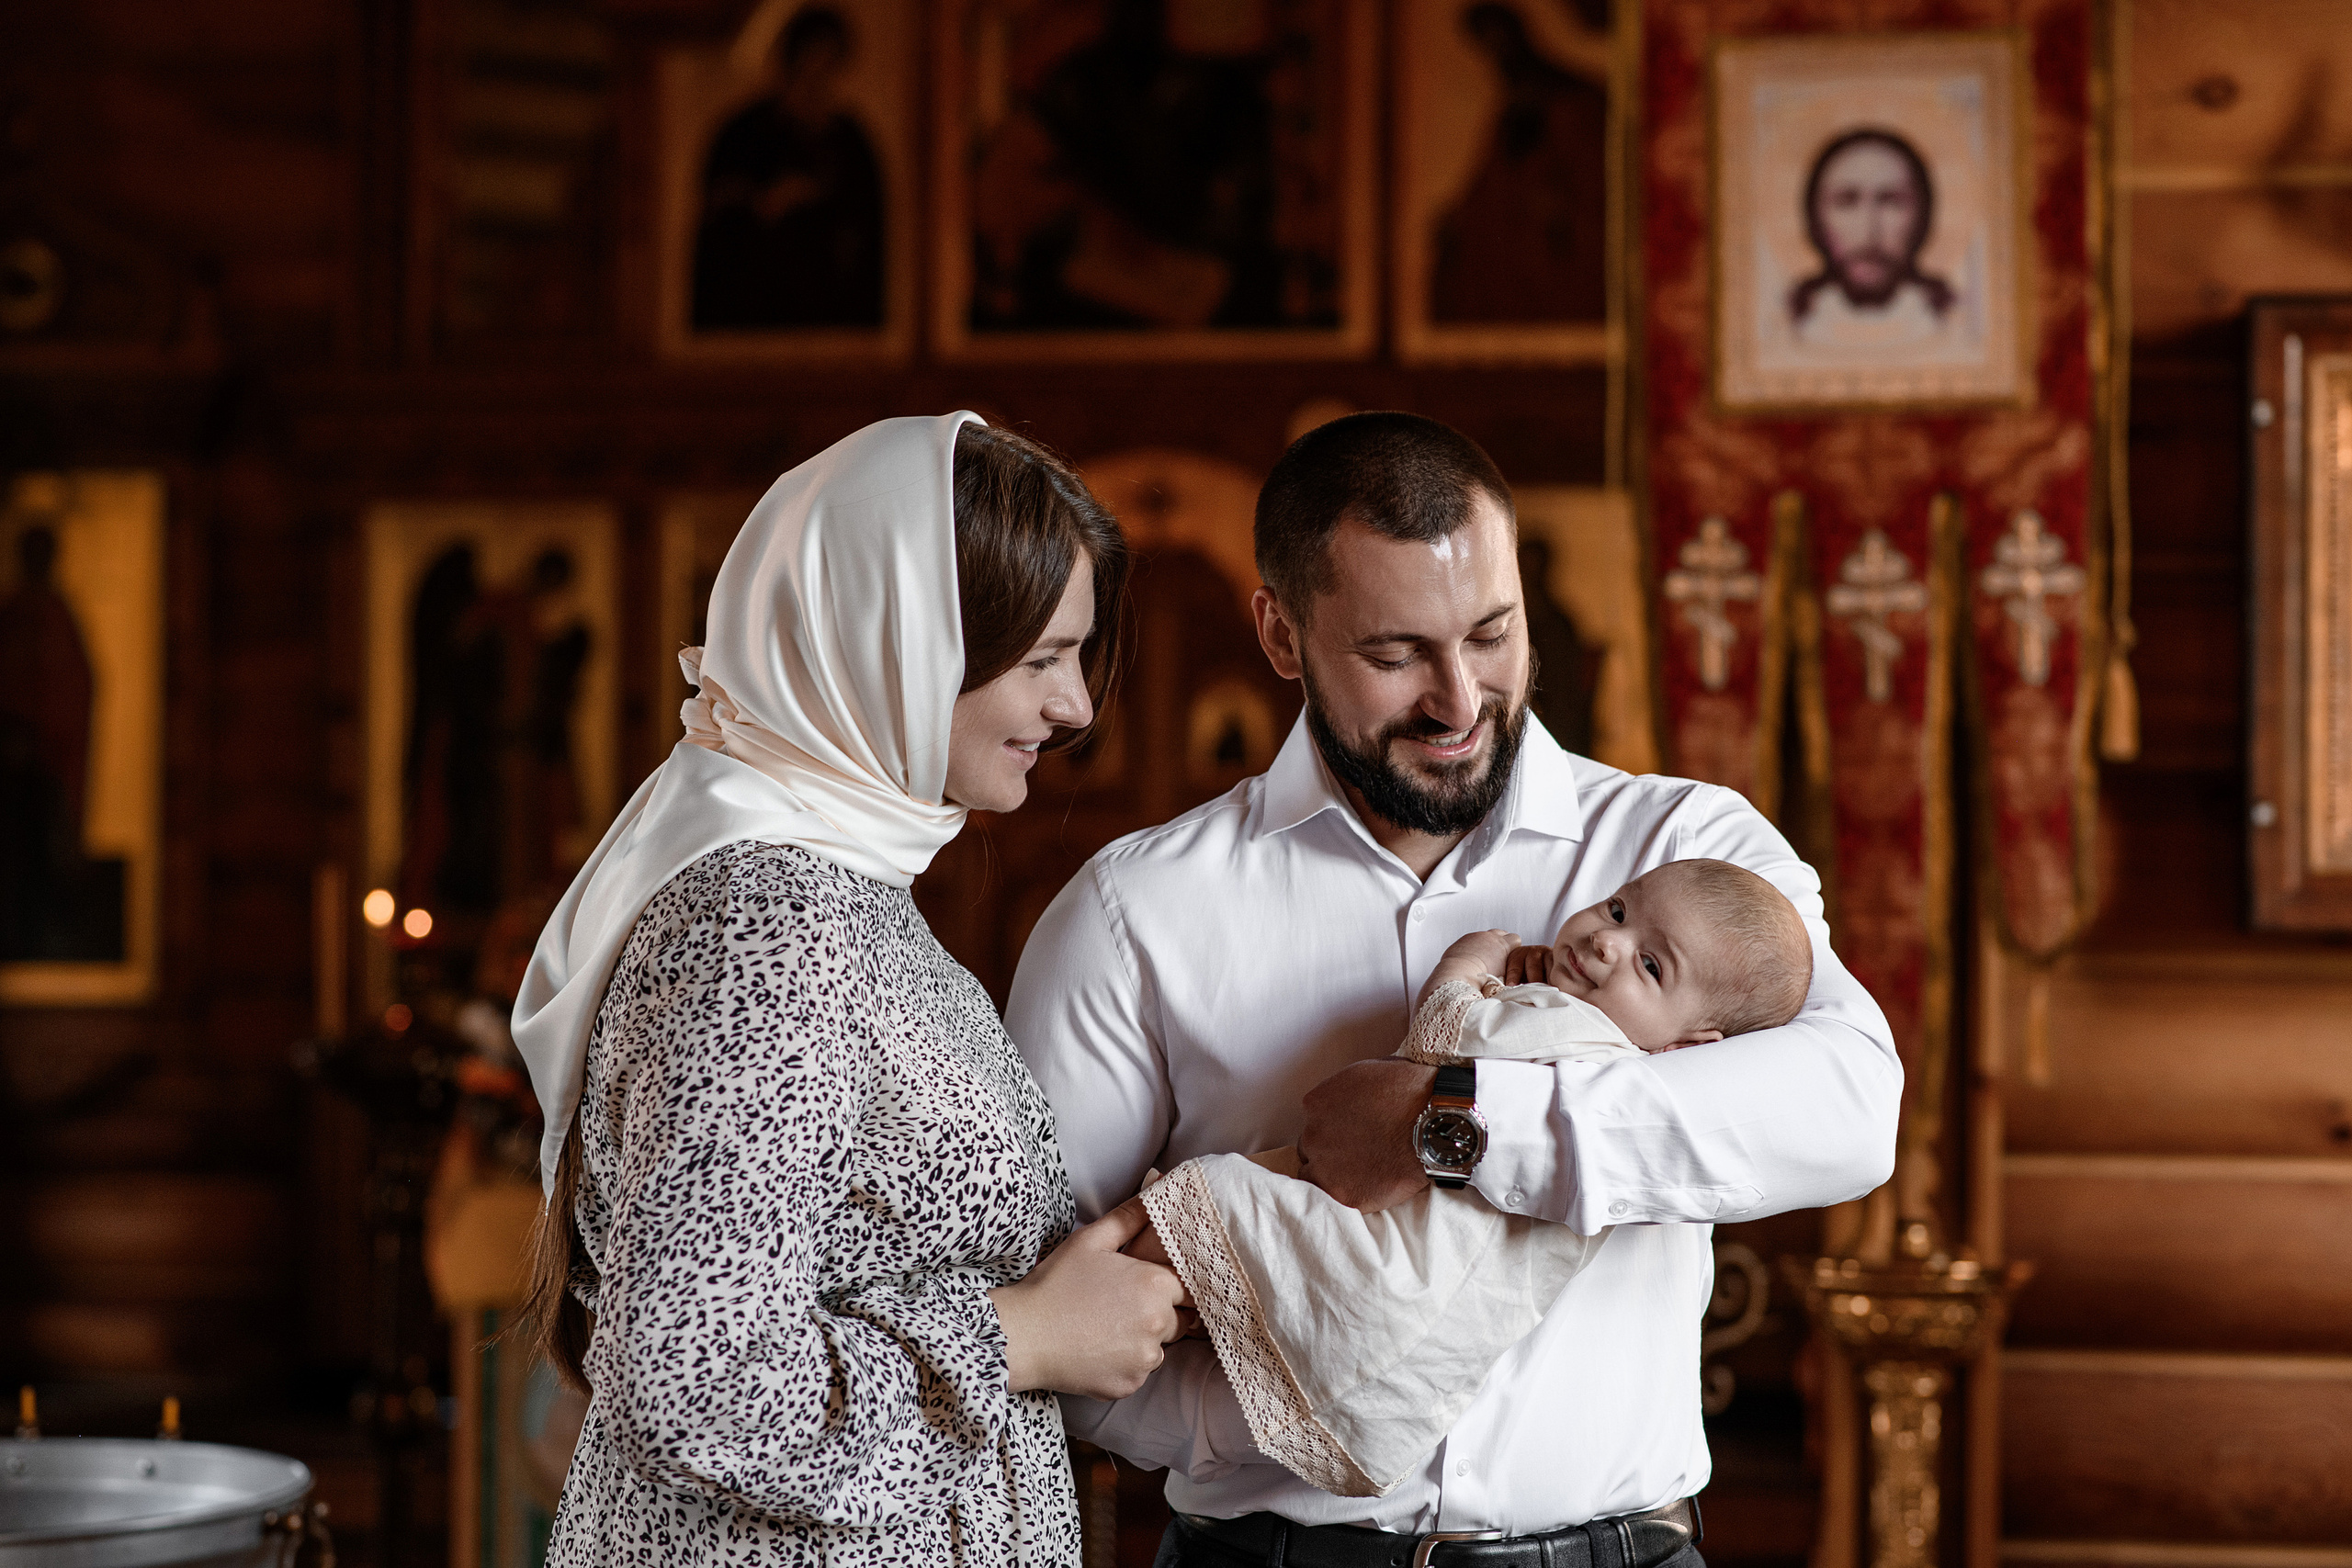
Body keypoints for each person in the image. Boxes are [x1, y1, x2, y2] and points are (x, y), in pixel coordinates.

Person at [1007, 412, 1899, 1566]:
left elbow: (1847, 1107)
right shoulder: (1131, 914)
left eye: (1491, 634)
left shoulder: (1686, 849)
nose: (1459, 699)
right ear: (1280, 635)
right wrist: (1314, 1399)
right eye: (1395, 655)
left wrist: (1464, 1123)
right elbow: (1055, 1304)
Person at [512, 413, 1190, 1566]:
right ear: (895, 642)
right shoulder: (765, 924)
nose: (1074, 708)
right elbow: (693, 1379)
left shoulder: (847, 896)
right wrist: (1019, 1339)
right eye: (1039, 660)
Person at [1130, 859, 1813, 1497]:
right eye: (1617, 909)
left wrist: (1466, 968)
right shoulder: (1625, 1088)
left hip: (1388, 1280)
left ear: (1688, 1046)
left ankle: (1104, 1275)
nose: (1608, 942)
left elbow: (1440, 1043)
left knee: (1214, 1192)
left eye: (1652, 963)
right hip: (1416, 1345)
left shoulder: (1575, 1034)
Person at [691, 6, 885, 330]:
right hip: (753, 315)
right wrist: (762, 202)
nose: (817, 78)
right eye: (810, 61)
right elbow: (716, 210)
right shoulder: (744, 131)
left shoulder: (850, 139)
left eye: (829, 65)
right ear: (791, 62)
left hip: (830, 318)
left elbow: (867, 226)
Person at [1787, 128, 1956, 348]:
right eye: (1846, 202)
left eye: (1892, 202)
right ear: (1815, 216)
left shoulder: (1951, 321)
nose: (1869, 231)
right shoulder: (1790, 323)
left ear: (1922, 215)